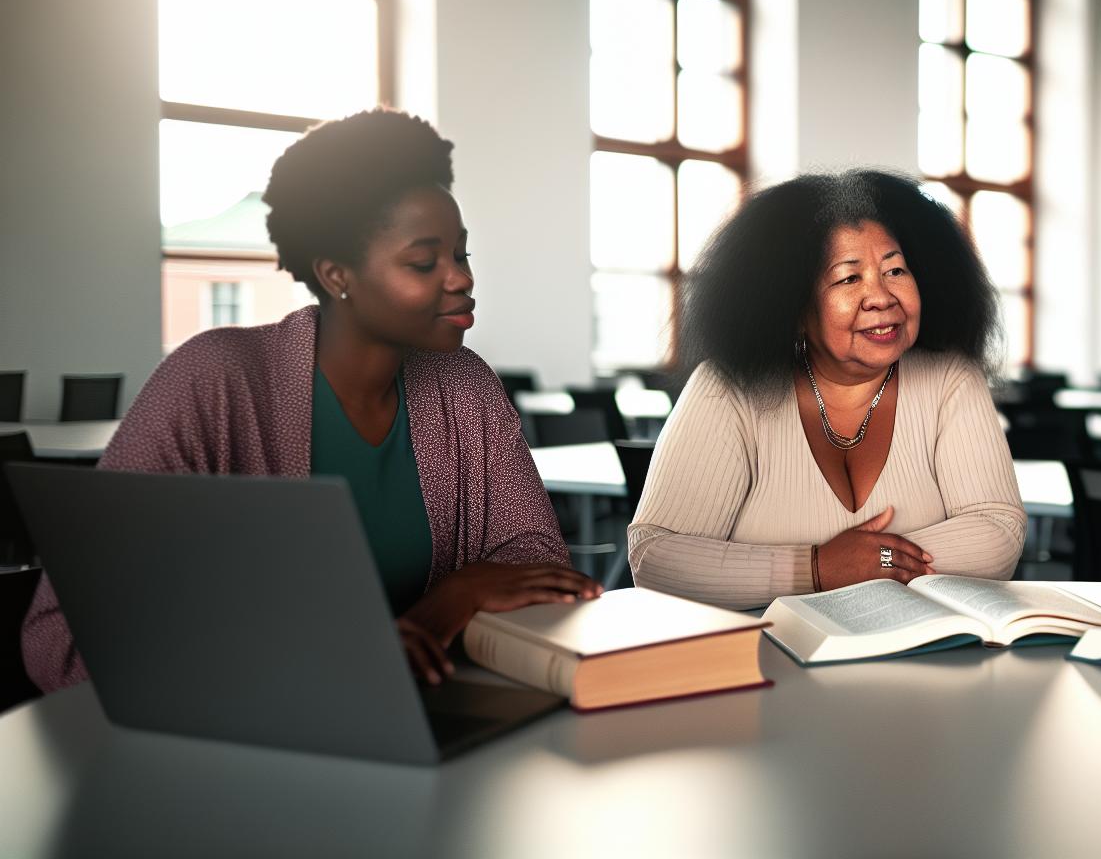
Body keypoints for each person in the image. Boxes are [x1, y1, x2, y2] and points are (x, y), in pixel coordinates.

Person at [23, 109, 596, 692]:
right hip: (243, 731)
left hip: (434, 711)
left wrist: (457, 598)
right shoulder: (214, 379)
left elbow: (538, 562)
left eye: (461, 254)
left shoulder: (463, 385)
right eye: (424, 262)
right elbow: (61, 635)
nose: (460, 279)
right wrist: (381, 630)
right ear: (336, 275)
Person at [628, 169, 1026, 609]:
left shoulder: (951, 378)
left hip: (921, 645)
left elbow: (998, 532)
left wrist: (876, 560)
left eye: (895, 270)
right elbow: (655, 558)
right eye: (849, 278)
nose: (882, 297)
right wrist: (815, 568)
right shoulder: (726, 389)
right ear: (794, 305)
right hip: (763, 648)